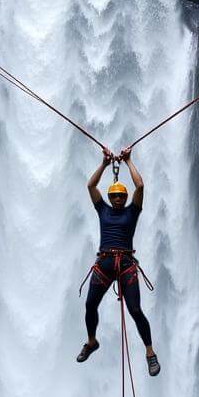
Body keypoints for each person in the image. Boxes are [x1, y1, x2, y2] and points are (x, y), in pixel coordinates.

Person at [77, 146, 160, 376]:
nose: (116, 199)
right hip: (104, 263)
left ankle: (150, 353)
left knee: (135, 309)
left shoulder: (132, 212)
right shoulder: (102, 210)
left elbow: (140, 186)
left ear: (125, 198)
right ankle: (92, 341)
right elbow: (91, 186)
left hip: (125, 264)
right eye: (113, 196)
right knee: (90, 305)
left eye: (120, 196)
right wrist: (104, 164)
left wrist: (129, 161)